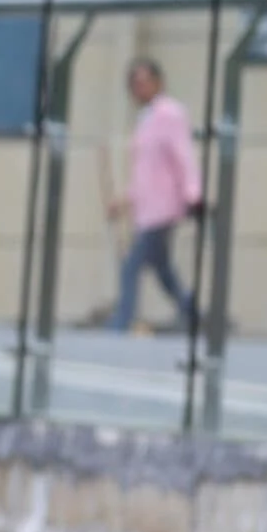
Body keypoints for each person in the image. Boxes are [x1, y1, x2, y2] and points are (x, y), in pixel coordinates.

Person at [111, 57, 202, 331]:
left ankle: (120, 323)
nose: (138, 89)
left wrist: (193, 193)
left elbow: (183, 155)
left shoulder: (170, 114)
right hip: (146, 207)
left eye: (143, 82)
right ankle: (191, 311)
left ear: (158, 82)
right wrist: (126, 200)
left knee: (131, 265)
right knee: (162, 268)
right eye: (134, 84)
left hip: (163, 207)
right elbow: (145, 170)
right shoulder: (145, 118)